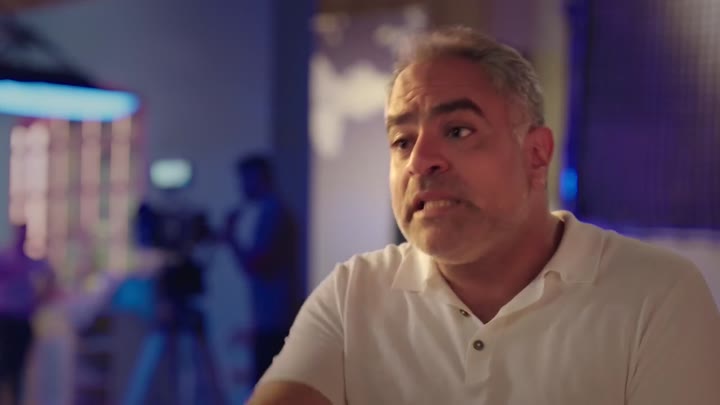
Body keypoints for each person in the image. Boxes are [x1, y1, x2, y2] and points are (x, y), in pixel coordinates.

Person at [247, 26, 720, 405]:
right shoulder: (354, 294)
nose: (420, 161)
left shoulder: (657, 294)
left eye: (457, 130)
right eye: (402, 141)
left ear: (536, 154)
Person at [223, 155, 298, 383]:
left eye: (246, 179)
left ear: (259, 178)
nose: (242, 186)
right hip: (271, 317)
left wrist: (231, 238)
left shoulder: (273, 213)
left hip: (274, 319)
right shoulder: (273, 211)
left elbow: (257, 264)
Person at [0, 224, 54, 404]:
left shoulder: (31, 261)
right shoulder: (6, 259)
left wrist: (38, 299)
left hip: (22, 320)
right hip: (5, 320)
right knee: (5, 365)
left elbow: (50, 276)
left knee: (18, 368)